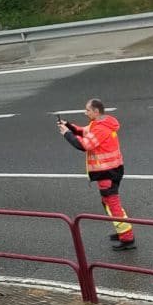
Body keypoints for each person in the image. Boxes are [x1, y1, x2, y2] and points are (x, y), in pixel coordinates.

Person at [57, 98, 135, 250]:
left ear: (96, 111)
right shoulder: (99, 123)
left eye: (87, 110)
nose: (85, 112)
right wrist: (69, 126)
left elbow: (84, 144)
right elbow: (84, 131)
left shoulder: (100, 129)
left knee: (113, 204)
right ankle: (123, 232)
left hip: (107, 173)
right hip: (110, 171)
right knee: (108, 203)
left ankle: (127, 238)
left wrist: (66, 134)